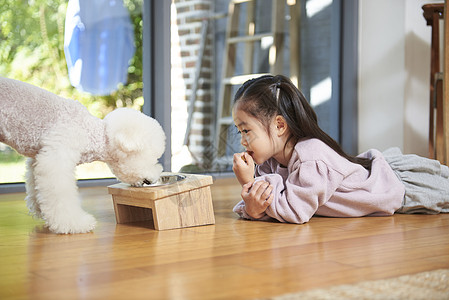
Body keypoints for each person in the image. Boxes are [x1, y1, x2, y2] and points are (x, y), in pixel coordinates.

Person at [232, 74, 449, 223]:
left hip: (391, 189)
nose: (242, 141)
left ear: (279, 125)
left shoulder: (311, 157)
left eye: (246, 131)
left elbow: (295, 211)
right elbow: (268, 206)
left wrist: (248, 183)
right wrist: (253, 208)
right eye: (239, 131)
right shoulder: (270, 162)